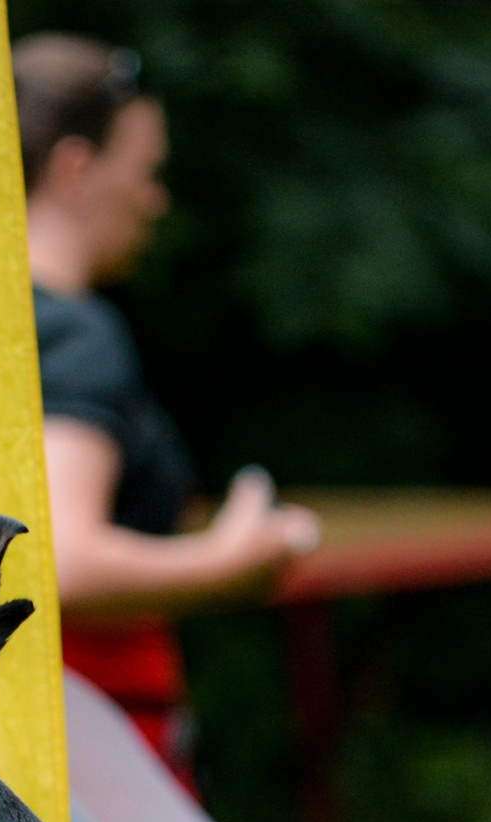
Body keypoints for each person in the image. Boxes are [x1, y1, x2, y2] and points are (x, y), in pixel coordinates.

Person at [16, 33, 317, 774]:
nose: (156, 201)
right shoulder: (74, 333)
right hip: (97, 745)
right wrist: (229, 561)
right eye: (145, 173)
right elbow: (63, 561)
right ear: (76, 170)